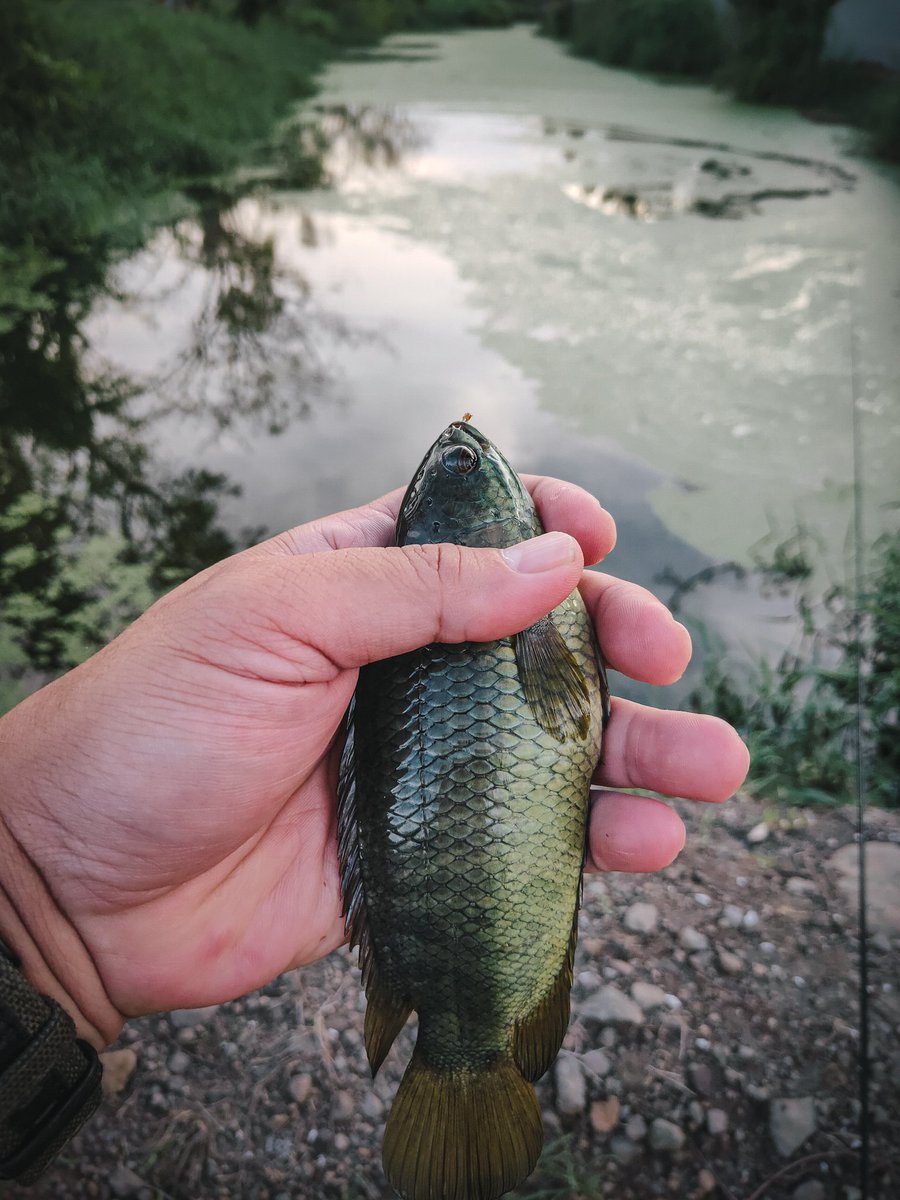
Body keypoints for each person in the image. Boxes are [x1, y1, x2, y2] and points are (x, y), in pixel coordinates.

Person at [0, 477, 748, 1164]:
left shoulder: (456, 602)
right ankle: (465, 1054)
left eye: (459, 463)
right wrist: (38, 899)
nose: (468, 454)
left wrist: (34, 901)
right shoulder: (496, 602)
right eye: (462, 463)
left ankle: (468, 1043)